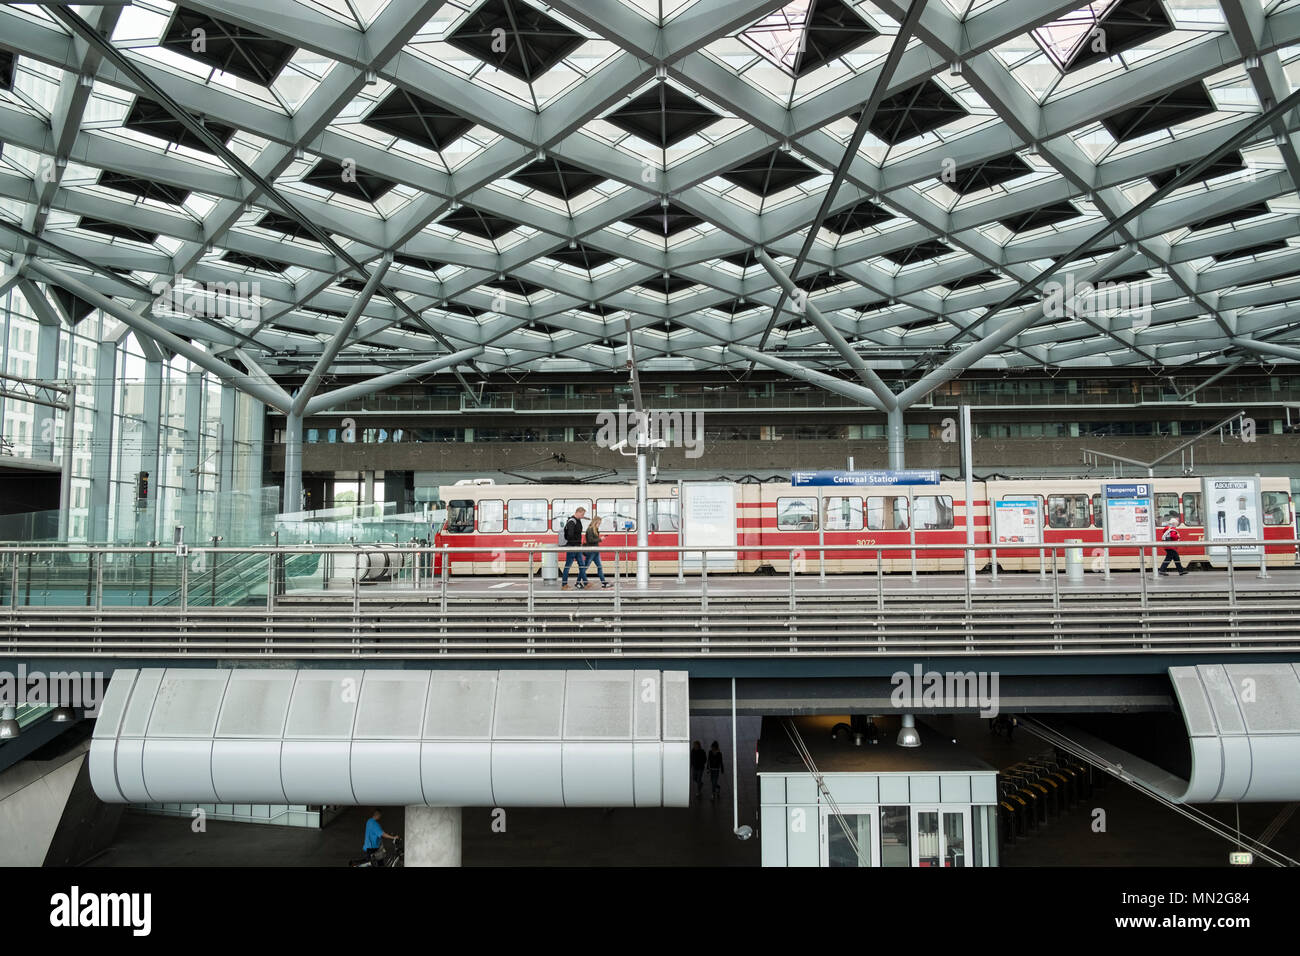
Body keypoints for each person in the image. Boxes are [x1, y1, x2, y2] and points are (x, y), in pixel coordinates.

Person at [560, 506, 588, 590]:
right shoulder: (572, 521)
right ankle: (564, 585)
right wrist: (576, 541)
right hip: (572, 547)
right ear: (578, 512)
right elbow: (570, 535)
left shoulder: (577, 521)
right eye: (582, 514)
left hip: (577, 547)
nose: (583, 516)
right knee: (568, 566)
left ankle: (586, 583)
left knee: (582, 565)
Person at [583, 515, 613, 589]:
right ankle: (578, 582)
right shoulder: (590, 530)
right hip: (591, 551)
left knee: (599, 567)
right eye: (599, 523)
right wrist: (600, 539)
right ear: (595, 522)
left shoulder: (595, 529)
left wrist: (600, 539)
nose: (599, 524)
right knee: (585, 567)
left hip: (596, 551)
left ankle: (603, 582)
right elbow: (590, 540)